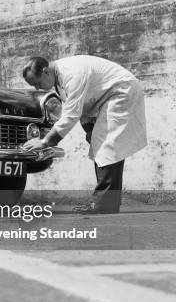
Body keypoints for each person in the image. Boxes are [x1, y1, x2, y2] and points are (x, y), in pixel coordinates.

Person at [21, 55, 147, 213]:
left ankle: (104, 204)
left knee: (107, 145)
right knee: (102, 145)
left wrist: (45, 142)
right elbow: (83, 109)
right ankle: (107, 202)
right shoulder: (59, 80)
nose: (38, 88)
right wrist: (89, 131)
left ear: (46, 71)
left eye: (37, 83)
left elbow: (72, 114)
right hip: (109, 97)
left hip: (121, 91)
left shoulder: (72, 74)